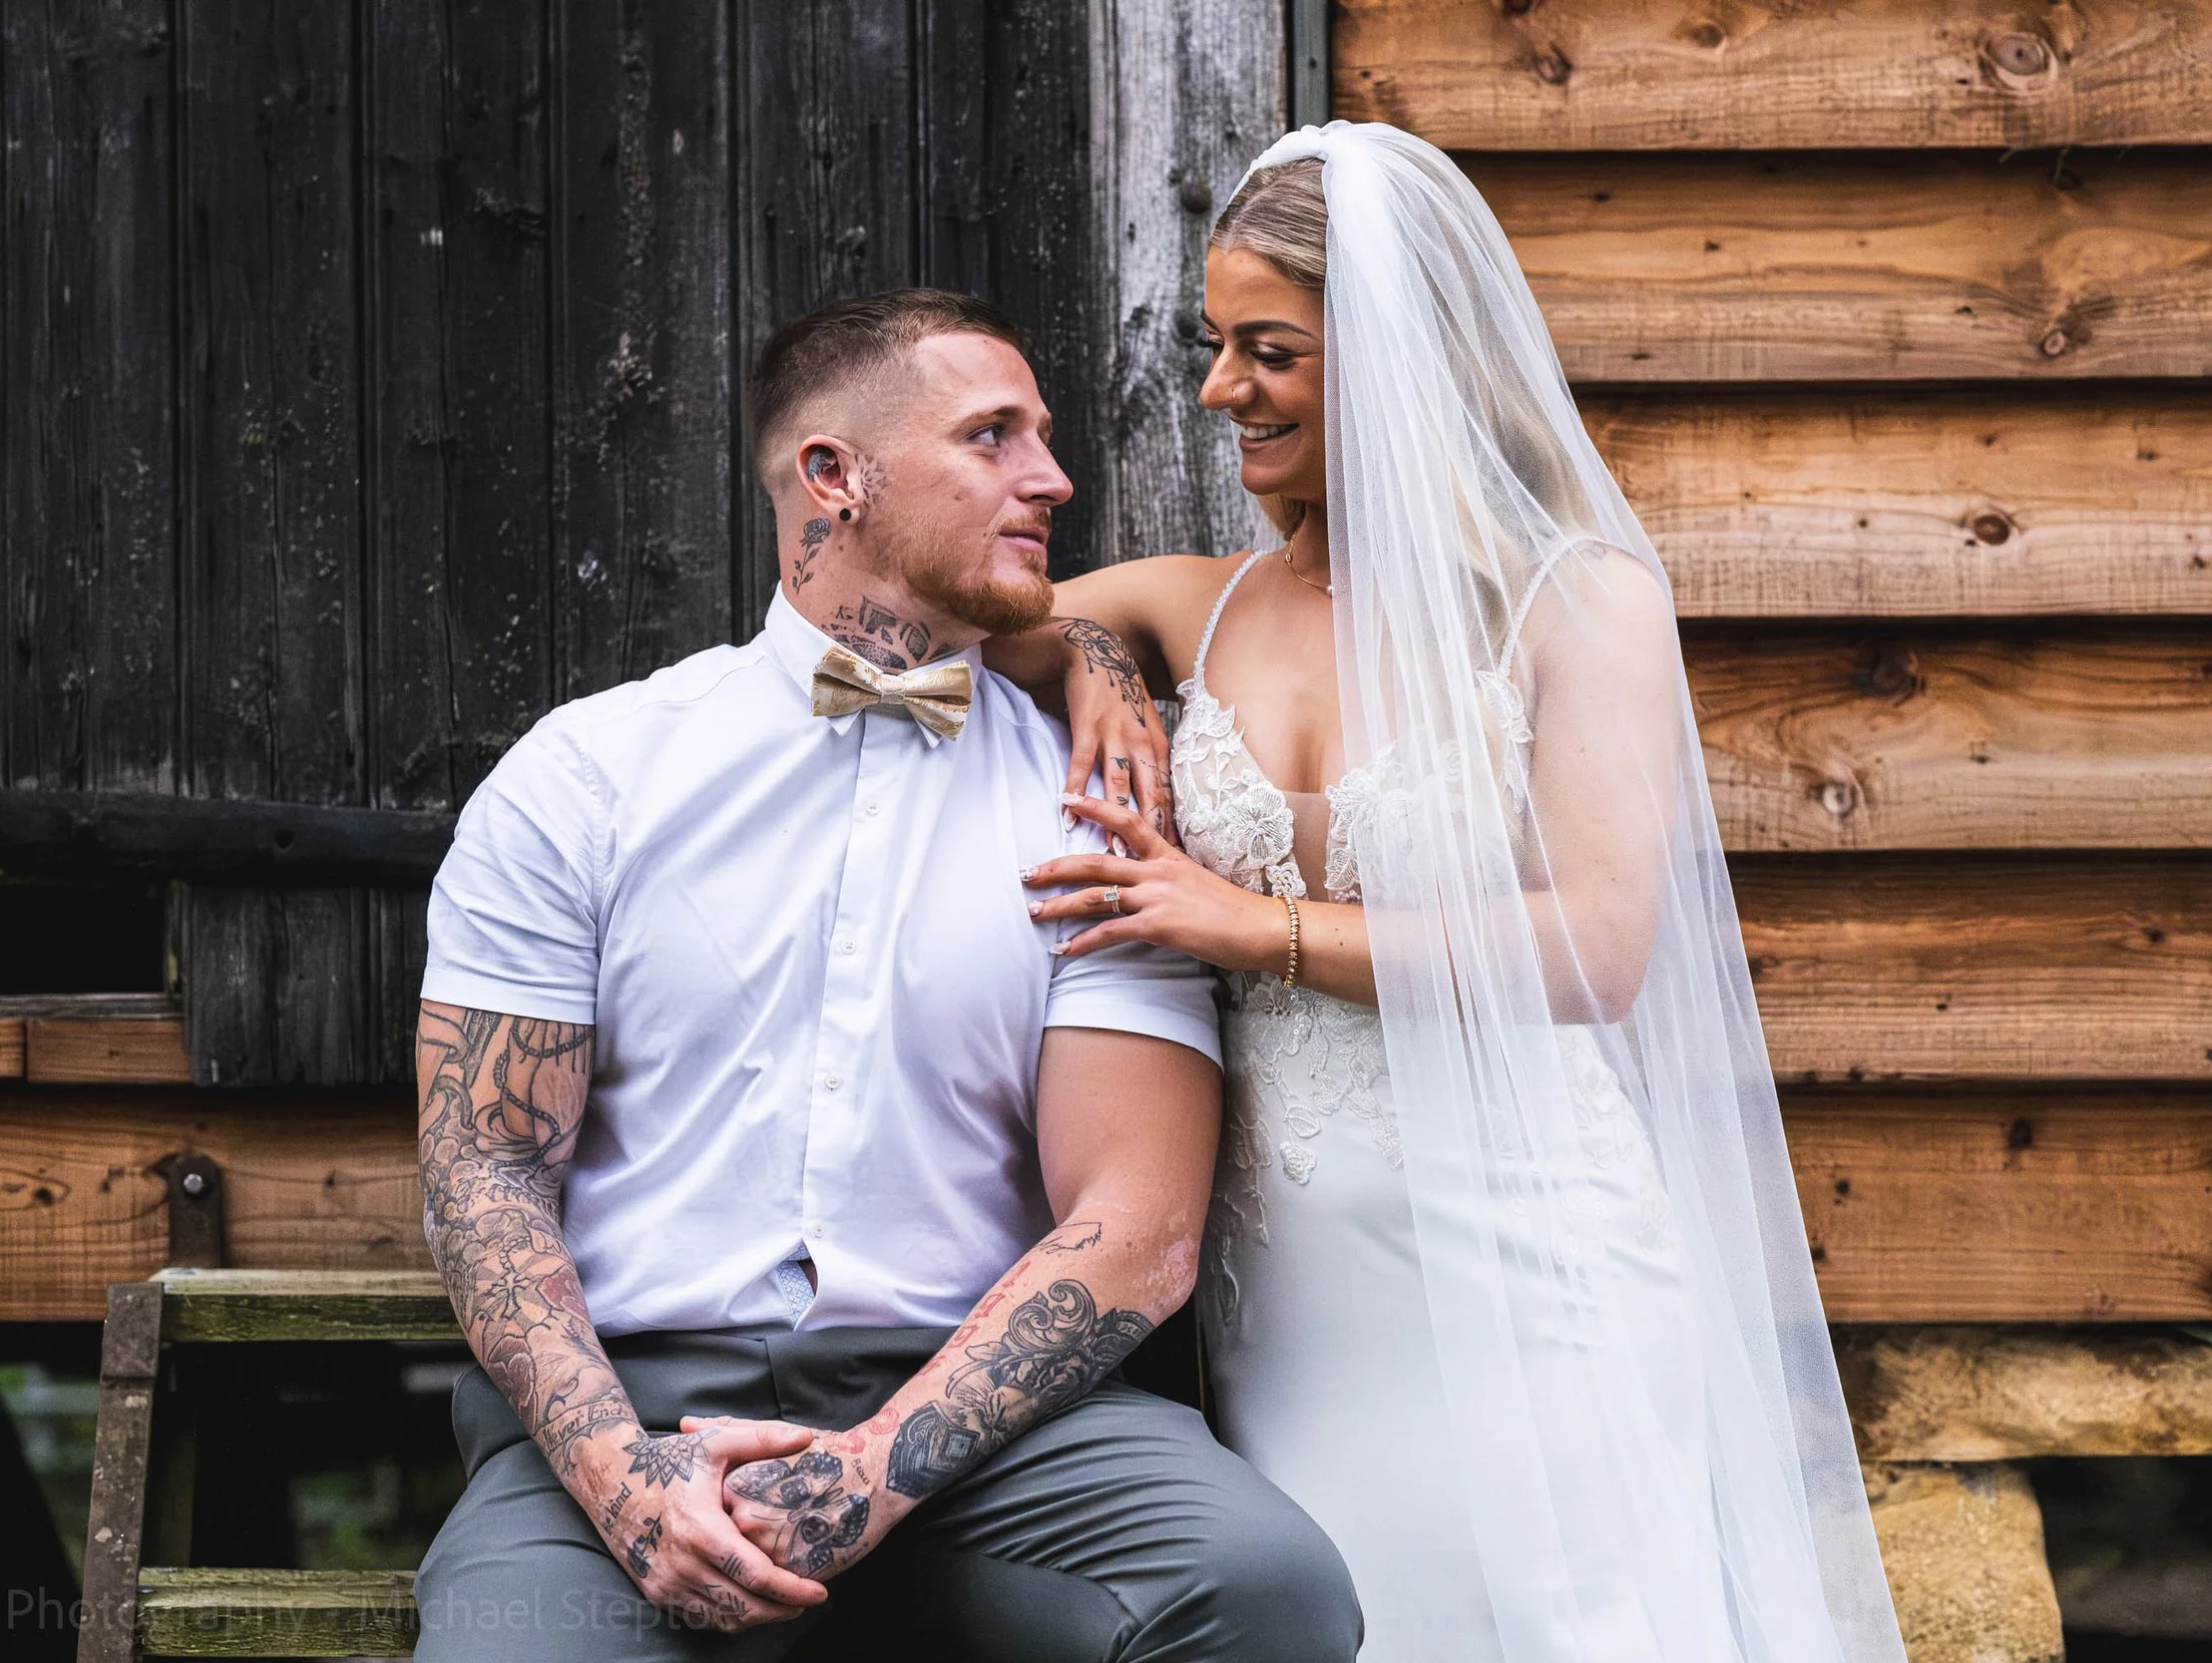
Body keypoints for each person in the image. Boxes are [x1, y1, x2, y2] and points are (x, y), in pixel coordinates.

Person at [984, 124, 1910, 1663]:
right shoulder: (1193, 604)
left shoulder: (1576, 606)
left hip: (1537, 1257)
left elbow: (1596, 948)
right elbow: (956, 626)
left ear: (1399, 355)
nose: (1220, 389)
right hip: (1294, 1289)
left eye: (1267, 350)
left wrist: (1249, 925)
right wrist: (1094, 656)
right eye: (1217, 346)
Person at [409, 288, 1359, 1662]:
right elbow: (486, 1174)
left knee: (1265, 1588)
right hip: (627, 1418)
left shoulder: (1101, 808)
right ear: (833, 478)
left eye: (1044, 437)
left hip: (1000, 1437)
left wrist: (867, 1475)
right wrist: (627, 1483)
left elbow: (1137, 1223)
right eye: (995, 437)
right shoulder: (586, 777)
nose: (1055, 476)